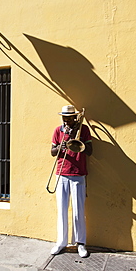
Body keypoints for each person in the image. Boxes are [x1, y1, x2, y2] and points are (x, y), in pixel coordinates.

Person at [50, 105, 92, 257]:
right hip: (61, 173)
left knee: (78, 211)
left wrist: (77, 138)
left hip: (78, 174)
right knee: (62, 210)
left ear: (75, 118)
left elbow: (90, 151)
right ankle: (61, 242)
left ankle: (80, 243)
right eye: (64, 118)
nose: (66, 121)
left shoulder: (84, 129)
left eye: (69, 118)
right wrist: (60, 146)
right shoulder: (58, 131)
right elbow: (52, 152)